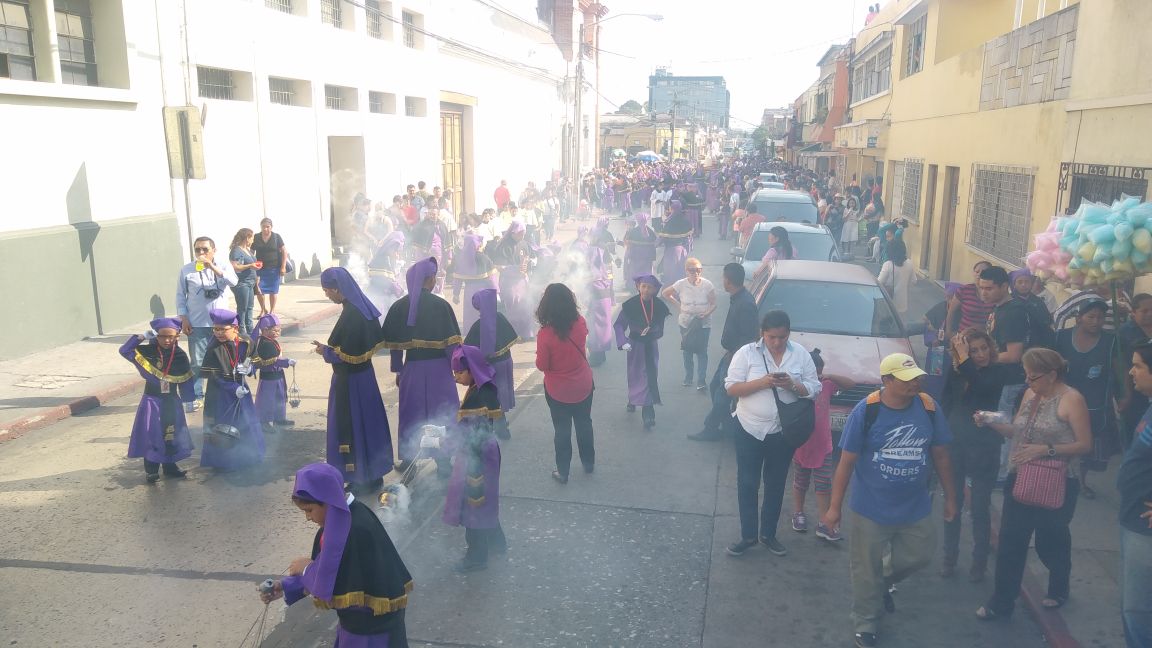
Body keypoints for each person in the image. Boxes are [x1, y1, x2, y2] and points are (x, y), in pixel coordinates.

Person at [822, 353, 956, 648]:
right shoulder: (866, 410)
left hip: (915, 506)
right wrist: (834, 507)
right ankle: (866, 622)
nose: (915, 383)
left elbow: (941, 455)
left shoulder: (929, 408)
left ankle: (881, 581)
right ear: (887, 381)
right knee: (864, 568)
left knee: (920, 554)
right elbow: (846, 462)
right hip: (871, 507)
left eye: (916, 378)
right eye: (907, 379)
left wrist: (950, 497)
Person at [975, 348, 1092, 620]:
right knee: (1011, 541)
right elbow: (1017, 429)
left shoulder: (1071, 399)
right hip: (1022, 476)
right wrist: (990, 421)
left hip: (1057, 479)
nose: (1029, 382)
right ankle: (1002, 600)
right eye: (1026, 376)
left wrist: (1045, 449)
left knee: (1050, 540)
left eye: (1034, 377)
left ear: (1052, 375)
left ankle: (1059, 585)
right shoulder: (1030, 394)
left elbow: (1085, 444)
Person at [262, 463, 412, 646]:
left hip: (370, 631)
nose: (308, 518)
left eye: (309, 510)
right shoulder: (338, 523)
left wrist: (306, 568)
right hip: (356, 624)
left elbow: (334, 582)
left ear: (328, 501)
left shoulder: (356, 530)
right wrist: (285, 586)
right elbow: (328, 569)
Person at [725, 310, 821, 559]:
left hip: (782, 431)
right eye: (771, 337)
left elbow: (814, 389)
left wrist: (792, 385)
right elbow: (731, 388)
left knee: (776, 484)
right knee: (747, 483)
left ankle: (768, 534)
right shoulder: (746, 354)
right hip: (749, 428)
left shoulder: (800, 354)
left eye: (781, 337)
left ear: (789, 333)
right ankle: (748, 535)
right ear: (762, 334)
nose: (777, 342)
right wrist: (763, 383)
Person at [941, 329, 1017, 582]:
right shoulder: (957, 371)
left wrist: (965, 361)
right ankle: (949, 559)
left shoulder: (997, 371)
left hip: (985, 446)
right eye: (973, 350)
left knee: (980, 508)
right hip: (957, 444)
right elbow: (946, 403)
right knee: (952, 503)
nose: (981, 354)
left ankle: (979, 563)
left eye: (984, 348)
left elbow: (983, 386)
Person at [314, 268, 394, 492]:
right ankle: (373, 474)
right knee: (369, 425)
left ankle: (358, 478)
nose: (327, 295)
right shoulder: (360, 307)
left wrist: (325, 351)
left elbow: (348, 355)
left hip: (350, 382)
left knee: (353, 426)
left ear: (338, 289)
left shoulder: (352, 314)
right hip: (365, 379)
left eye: (328, 291)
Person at [382, 258, 463, 476]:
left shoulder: (399, 307)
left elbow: (395, 347)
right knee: (440, 414)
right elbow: (452, 346)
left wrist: (398, 369)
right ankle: (443, 461)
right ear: (430, 280)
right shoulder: (441, 305)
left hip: (413, 370)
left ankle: (409, 461)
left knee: (412, 415)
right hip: (439, 371)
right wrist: (457, 369)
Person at [439, 345, 508, 572]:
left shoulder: (479, 396)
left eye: (459, 372)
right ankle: (498, 543)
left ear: (471, 369)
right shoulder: (482, 387)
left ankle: (477, 556)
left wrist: (442, 442)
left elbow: (468, 433)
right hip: (484, 451)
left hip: (476, 457)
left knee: (474, 506)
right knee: (486, 503)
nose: (456, 377)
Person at [689, 263, 761, 442]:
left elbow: (749, 336)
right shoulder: (738, 298)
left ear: (728, 281)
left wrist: (735, 355)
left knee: (723, 392)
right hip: (730, 352)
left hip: (736, 355)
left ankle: (711, 427)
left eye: (723, 278)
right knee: (716, 387)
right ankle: (727, 425)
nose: (723, 281)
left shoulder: (745, 303)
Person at [1054, 299, 1118, 500]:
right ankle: (1057, 479)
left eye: (1100, 317)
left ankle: (1080, 481)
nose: (1096, 321)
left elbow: (1118, 372)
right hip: (1062, 401)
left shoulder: (1111, 341)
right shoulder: (1060, 337)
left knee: (1087, 445)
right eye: (1091, 316)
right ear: (1079, 317)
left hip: (1094, 403)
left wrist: (1122, 397)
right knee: (1060, 440)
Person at [119, 317, 195, 483]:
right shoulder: (149, 352)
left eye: (171, 337)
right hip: (152, 402)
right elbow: (124, 351)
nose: (167, 340)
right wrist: (141, 337)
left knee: (171, 433)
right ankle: (151, 470)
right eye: (162, 336)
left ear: (178, 336)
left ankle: (170, 467)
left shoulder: (180, 356)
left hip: (172, 401)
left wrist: (189, 399)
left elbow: (187, 379)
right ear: (156, 336)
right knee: (152, 435)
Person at [791, 348, 854, 541]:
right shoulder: (796, 387)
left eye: (819, 372)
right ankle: (798, 513)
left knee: (824, 484)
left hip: (823, 445)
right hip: (801, 444)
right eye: (813, 372)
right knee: (800, 482)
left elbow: (850, 384)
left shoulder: (826, 385)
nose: (816, 376)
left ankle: (824, 522)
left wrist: (827, 376)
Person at [535, 283, 595, 484]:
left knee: (562, 430)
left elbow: (542, 365)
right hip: (584, 384)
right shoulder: (580, 322)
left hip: (558, 390)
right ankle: (588, 463)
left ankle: (563, 472)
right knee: (584, 423)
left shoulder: (545, 334)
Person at [176, 236, 239, 411]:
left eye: (205, 249)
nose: (201, 253)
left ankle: (223, 391)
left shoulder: (223, 266)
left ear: (214, 250)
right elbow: (180, 296)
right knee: (197, 362)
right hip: (197, 323)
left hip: (220, 324)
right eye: (198, 250)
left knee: (223, 359)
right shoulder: (187, 270)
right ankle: (196, 396)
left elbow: (234, 282)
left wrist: (213, 268)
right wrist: (184, 319)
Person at [199, 309, 265, 471]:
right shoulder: (213, 347)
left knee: (246, 421)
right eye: (215, 329)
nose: (218, 333)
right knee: (222, 425)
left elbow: (255, 361)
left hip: (242, 389)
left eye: (223, 329)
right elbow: (215, 376)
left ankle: (249, 456)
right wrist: (233, 388)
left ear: (235, 328)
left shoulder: (247, 341)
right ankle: (222, 462)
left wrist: (249, 369)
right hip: (220, 392)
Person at [1120, 340, 1152, 647]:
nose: (1131, 372)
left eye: (1139, 366)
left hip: (1145, 527)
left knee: (1139, 609)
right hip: (1133, 518)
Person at [615, 275, 671, 429]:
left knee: (649, 375)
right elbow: (619, 325)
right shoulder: (630, 305)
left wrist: (653, 331)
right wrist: (622, 341)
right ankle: (632, 399)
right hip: (634, 345)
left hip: (651, 346)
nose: (646, 290)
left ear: (655, 290)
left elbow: (661, 330)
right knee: (635, 374)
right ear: (638, 287)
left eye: (649, 287)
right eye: (643, 286)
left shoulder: (658, 305)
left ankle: (648, 413)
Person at [465, 288, 517, 441]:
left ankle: (492, 431)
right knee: (501, 396)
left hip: (489, 368)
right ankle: (503, 430)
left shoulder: (477, 326)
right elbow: (512, 339)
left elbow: (467, 349)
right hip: (505, 363)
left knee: (490, 398)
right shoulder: (500, 317)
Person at [662, 257, 716, 390]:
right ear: (686, 271)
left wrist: (707, 313)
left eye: (698, 270)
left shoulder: (707, 285)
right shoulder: (680, 284)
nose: (695, 273)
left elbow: (714, 304)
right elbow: (665, 293)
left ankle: (701, 381)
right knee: (687, 350)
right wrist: (679, 306)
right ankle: (688, 377)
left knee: (702, 351)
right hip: (686, 323)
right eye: (692, 270)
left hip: (703, 324)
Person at [978, 265, 1028, 380]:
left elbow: (1013, 355)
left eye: (989, 289)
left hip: (1011, 380)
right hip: (999, 375)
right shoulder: (999, 306)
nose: (983, 293)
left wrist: (982, 358)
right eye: (981, 288)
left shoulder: (1013, 313)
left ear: (1005, 286)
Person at [491, 220, 537, 340]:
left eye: (523, 233)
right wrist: (517, 268)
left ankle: (527, 333)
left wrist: (530, 263)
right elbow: (499, 266)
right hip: (509, 282)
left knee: (526, 304)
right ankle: (513, 334)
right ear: (512, 233)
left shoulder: (524, 243)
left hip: (522, 280)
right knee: (513, 306)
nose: (522, 236)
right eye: (519, 233)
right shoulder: (503, 246)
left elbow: (532, 257)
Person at [251, 314, 296, 433]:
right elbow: (271, 361)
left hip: (278, 375)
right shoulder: (264, 344)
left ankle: (279, 418)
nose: (278, 332)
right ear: (265, 330)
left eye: (279, 329)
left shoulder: (271, 341)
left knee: (279, 397)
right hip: (268, 378)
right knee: (267, 400)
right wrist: (286, 361)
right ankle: (263, 422)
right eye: (275, 330)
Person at [1119, 294, 1152, 448]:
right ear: (1133, 313)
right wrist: (1126, 394)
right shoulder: (1125, 333)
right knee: (1136, 427)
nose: (1150, 314)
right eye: (1144, 311)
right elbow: (1123, 366)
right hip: (1135, 388)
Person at [451, 232, 497, 335]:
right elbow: (491, 278)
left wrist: (456, 294)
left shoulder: (461, 259)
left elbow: (457, 280)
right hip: (483, 291)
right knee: (481, 314)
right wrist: (496, 291)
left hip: (469, 292)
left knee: (470, 314)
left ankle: (470, 333)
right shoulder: (484, 258)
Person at [945, 260, 994, 338]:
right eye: (977, 271)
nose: (979, 274)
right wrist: (949, 332)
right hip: (963, 337)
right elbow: (951, 312)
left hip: (984, 339)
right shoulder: (964, 290)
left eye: (984, 271)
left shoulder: (994, 293)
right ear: (973, 273)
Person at [585, 246, 615, 367]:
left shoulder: (592, 274)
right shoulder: (604, 271)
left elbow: (586, 291)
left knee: (595, 330)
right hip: (605, 303)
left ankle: (596, 357)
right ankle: (601, 355)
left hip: (596, 305)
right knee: (603, 330)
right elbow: (611, 284)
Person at [252, 218, 288, 316]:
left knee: (273, 291)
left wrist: (283, 267)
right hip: (259, 269)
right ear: (261, 227)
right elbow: (251, 252)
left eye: (268, 227)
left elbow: (284, 251)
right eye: (263, 227)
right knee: (259, 290)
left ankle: (272, 311)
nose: (265, 229)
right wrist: (251, 264)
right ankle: (263, 309)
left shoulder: (276, 237)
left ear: (271, 227)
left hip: (274, 268)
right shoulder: (256, 237)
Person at [228, 228, 260, 336]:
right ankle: (241, 331)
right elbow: (236, 266)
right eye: (252, 238)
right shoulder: (236, 250)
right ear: (247, 238)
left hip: (250, 282)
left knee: (249, 307)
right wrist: (250, 265)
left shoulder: (248, 250)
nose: (253, 241)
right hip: (242, 283)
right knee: (242, 308)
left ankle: (250, 330)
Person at [658, 200, 693, 286]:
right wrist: (687, 249)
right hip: (682, 250)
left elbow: (662, 238)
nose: (669, 208)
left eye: (670, 207)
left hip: (671, 251)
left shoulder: (669, 222)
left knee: (670, 273)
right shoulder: (685, 220)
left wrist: (653, 245)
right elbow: (689, 239)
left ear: (673, 208)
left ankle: (669, 292)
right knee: (680, 271)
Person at [877, 240, 914, 322]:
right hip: (903, 304)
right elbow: (913, 281)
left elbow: (879, 283)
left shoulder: (888, 265)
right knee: (900, 327)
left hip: (888, 303)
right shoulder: (909, 263)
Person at [622, 212, 659, 285]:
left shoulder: (633, 231)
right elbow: (655, 244)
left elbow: (627, 242)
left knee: (634, 270)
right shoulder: (651, 232)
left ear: (638, 221)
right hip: (647, 257)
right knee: (647, 271)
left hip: (636, 256)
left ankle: (632, 286)